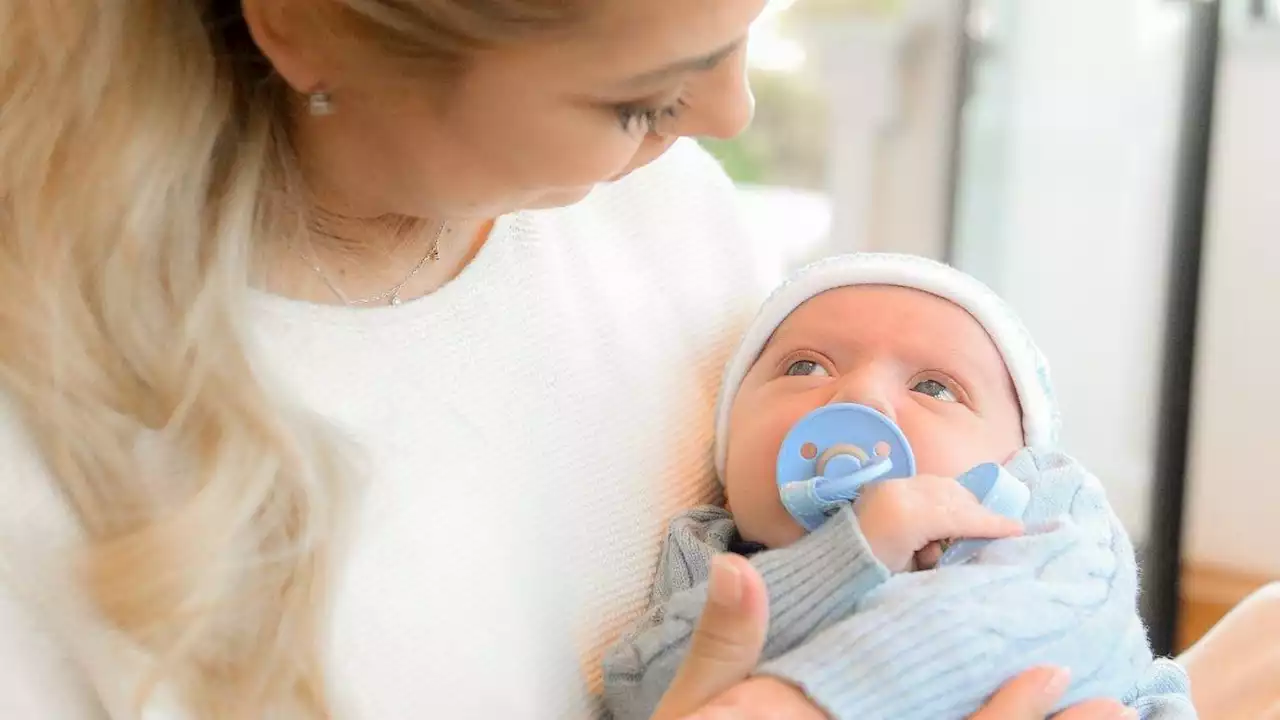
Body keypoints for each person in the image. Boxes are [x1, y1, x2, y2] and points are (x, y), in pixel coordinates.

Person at [0, 0, 1185, 718]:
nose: (725, 115)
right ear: (304, 25)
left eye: (744, 34)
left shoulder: (666, 222)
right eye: (636, 98)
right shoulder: (49, 459)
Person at [603, 254, 1195, 720]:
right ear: (726, 468)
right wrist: (846, 554)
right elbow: (643, 691)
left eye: (935, 387)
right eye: (806, 366)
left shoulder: (1043, 514)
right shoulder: (712, 558)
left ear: (1015, 462)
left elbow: (1076, 618)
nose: (860, 396)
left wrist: (813, 699)